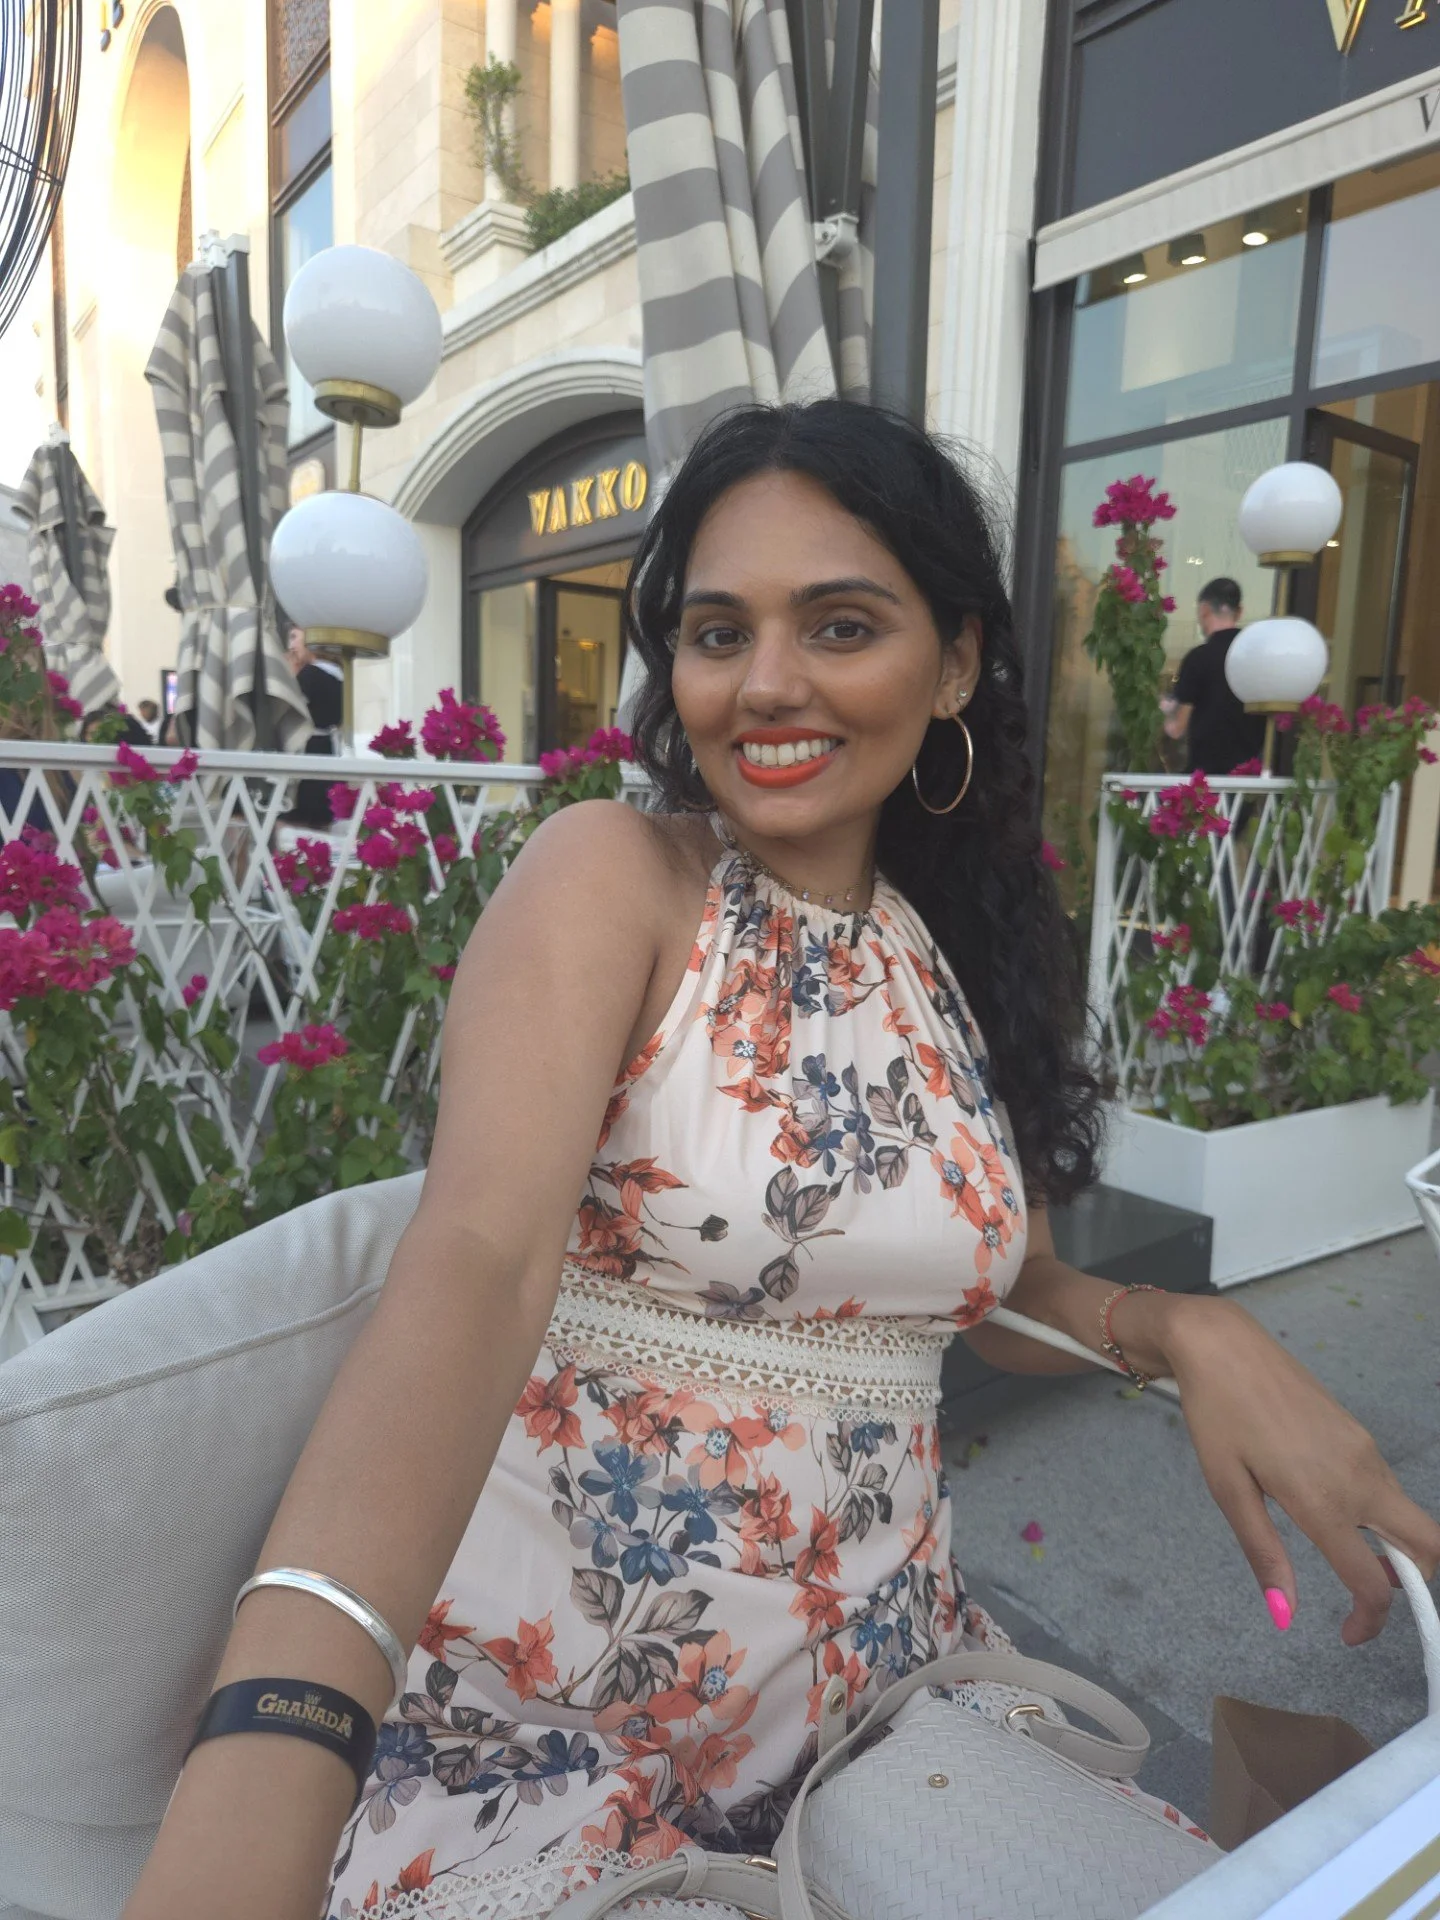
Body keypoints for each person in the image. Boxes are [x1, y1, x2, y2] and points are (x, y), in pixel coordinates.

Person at [123, 404, 1439, 1920]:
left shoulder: (950, 952)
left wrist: (1183, 1328)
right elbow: (475, 1265)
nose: (763, 683)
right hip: (563, 1729)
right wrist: (276, 1747)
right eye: (717, 631)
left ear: (956, 662)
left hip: (885, 1699)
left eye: (840, 624)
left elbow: (969, 1287)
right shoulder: (617, 879)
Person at [1163, 579, 1265, 775]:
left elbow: (1176, 729)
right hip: (1248, 779)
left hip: (1204, 780)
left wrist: (1165, 711)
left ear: (1204, 610)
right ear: (1239, 611)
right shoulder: (1258, 658)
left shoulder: (1198, 658)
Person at [281, 625, 345, 828]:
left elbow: (287, 710)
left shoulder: (310, 674)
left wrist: (290, 676)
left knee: (299, 820)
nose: (291, 646)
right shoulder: (340, 674)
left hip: (309, 749)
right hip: (329, 749)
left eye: (294, 637)